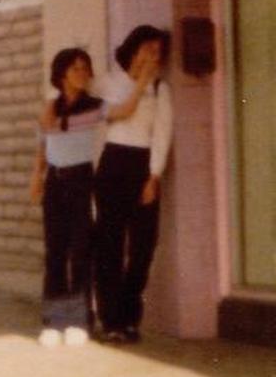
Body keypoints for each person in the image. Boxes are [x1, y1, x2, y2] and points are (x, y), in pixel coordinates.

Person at [29, 46, 144, 342]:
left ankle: (79, 322)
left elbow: (125, 110)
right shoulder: (50, 107)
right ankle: (54, 322)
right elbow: (43, 143)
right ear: (62, 74)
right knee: (55, 252)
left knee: (80, 252)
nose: (82, 73)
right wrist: (36, 178)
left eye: (85, 68)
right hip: (55, 183)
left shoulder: (93, 106)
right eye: (76, 68)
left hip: (80, 181)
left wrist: (143, 80)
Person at [93, 24, 173, 343]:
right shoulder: (110, 82)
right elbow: (114, 115)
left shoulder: (161, 89)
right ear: (134, 49)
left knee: (143, 246)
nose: (154, 56)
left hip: (143, 165)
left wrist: (153, 176)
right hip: (114, 161)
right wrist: (140, 84)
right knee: (109, 244)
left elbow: (162, 134)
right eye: (149, 49)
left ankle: (129, 316)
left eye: (159, 51)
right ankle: (110, 320)